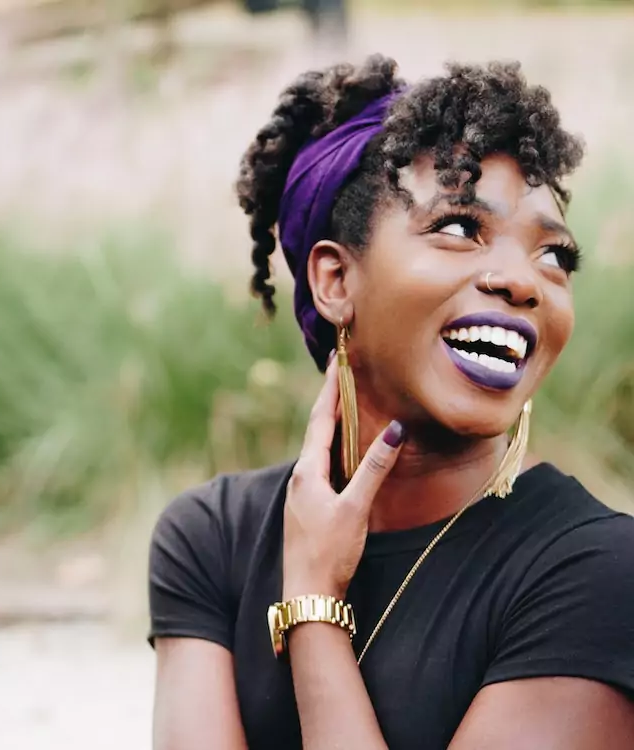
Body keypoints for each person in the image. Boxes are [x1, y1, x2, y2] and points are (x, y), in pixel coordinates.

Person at [148, 55, 634, 749]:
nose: (524, 282)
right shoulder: (212, 540)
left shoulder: (598, 575)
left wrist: (314, 609)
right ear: (336, 281)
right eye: (461, 228)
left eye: (555, 256)